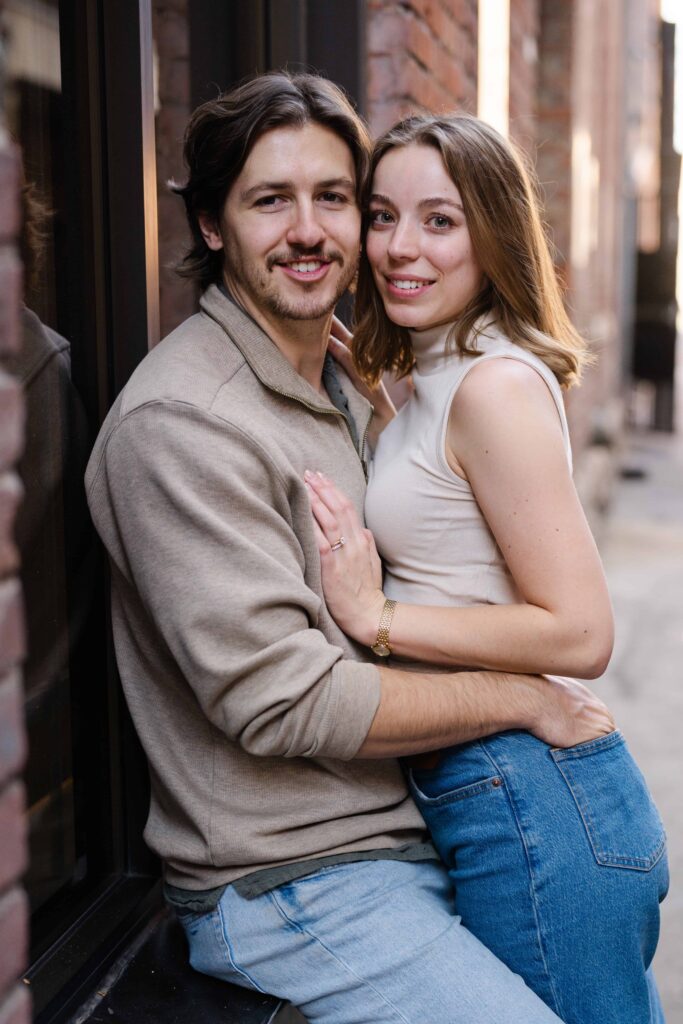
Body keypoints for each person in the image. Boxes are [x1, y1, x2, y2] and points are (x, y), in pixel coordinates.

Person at [85, 73, 616, 1024]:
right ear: (211, 226)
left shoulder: (339, 379)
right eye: (268, 201)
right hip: (295, 880)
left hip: (422, 833)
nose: (309, 231)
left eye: (333, 199)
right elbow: (288, 701)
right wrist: (526, 699)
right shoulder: (180, 425)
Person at [305, 113, 669, 1024]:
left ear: (493, 233)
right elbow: (455, 531)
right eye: (381, 216)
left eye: (439, 220)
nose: (397, 248)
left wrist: (376, 616)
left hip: (531, 809)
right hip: (504, 798)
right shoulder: (440, 380)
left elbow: (580, 633)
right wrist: (388, 419)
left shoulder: (492, 388)